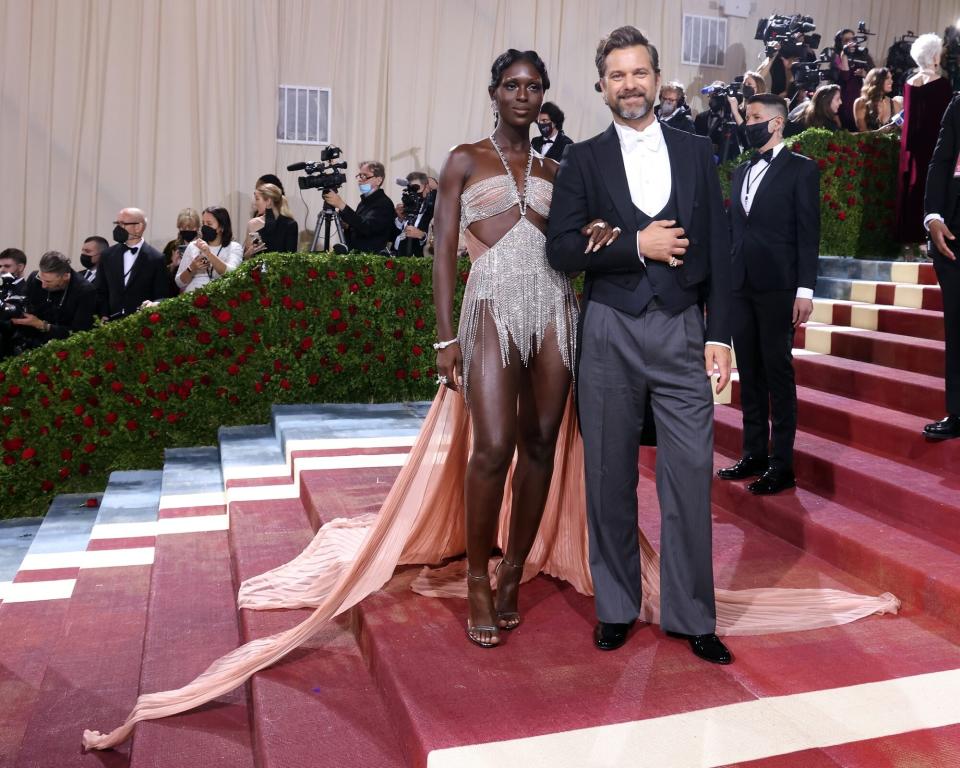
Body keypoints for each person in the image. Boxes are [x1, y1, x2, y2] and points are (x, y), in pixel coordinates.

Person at [82, 46, 900, 754]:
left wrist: (616, 242)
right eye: (511, 83)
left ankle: (513, 574)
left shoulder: (564, 166)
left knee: (546, 441)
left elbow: (587, 236)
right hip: (486, 310)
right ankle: (478, 580)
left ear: (545, 95)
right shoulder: (464, 159)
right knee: (493, 444)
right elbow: (442, 246)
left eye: (532, 84)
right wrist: (441, 335)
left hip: (558, 311)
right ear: (494, 92)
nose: (522, 94)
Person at [547, 25, 734, 663]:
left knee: (688, 475)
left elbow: (720, 250)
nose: (630, 85)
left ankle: (691, 615)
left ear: (657, 78)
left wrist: (720, 334)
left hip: (683, 326)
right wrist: (635, 245)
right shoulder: (583, 158)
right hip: (608, 328)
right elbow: (562, 248)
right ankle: (618, 606)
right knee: (608, 476)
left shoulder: (696, 150)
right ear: (602, 87)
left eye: (639, 73)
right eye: (617, 75)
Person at [718, 94, 819, 495]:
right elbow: (734, 231)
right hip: (741, 285)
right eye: (748, 117)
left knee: (778, 373)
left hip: (779, 287)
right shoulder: (741, 171)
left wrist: (805, 291)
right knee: (751, 372)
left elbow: (808, 235)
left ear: (777, 124)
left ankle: (783, 464)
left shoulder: (801, 170)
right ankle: (754, 453)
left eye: (756, 117)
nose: (749, 123)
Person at [922, 94, 960, 440]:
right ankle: (958, 411)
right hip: (954, 234)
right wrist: (932, 216)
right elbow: (940, 162)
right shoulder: (958, 104)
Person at [896, 33, 953, 243]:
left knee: (910, 186)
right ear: (935, 56)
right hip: (933, 146)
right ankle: (927, 238)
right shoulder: (941, 84)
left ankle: (909, 239)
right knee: (930, 188)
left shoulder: (910, 82)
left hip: (910, 147)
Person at [7, 251, 96, 355]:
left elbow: (80, 333)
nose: (43, 286)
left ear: (66, 277)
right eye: (41, 279)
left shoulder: (85, 291)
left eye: (48, 282)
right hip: (30, 344)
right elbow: (22, 304)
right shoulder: (35, 279)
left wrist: (42, 325)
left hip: (65, 350)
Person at [97, 208, 170, 319]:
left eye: (123, 224)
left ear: (138, 227)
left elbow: (163, 295)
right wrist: (103, 314)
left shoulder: (156, 258)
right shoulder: (107, 255)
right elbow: (100, 290)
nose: (118, 228)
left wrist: (153, 305)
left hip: (141, 324)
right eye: (117, 223)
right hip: (111, 324)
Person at [322, 161, 396, 253]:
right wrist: (348, 226)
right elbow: (359, 226)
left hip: (371, 259)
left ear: (379, 180)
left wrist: (341, 205)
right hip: (357, 255)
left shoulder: (384, 203)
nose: (360, 179)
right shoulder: (364, 202)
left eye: (364, 175)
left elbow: (367, 229)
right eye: (359, 175)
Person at [175, 206, 242, 293]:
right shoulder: (193, 246)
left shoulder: (234, 247)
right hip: (192, 297)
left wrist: (209, 254)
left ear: (221, 227)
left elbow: (232, 274)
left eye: (209, 224)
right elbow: (179, 283)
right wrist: (192, 267)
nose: (204, 227)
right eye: (203, 223)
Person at [832, 28, 873, 132]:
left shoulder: (861, 54)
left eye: (853, 39)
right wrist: (844, 54)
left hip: (859, 98)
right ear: (840, 43)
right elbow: (845, 76)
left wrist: (865, 74)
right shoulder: (837, 56)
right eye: (846, 40)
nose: (850, 42)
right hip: (843, 101)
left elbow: (873, 76)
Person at [243, 183, 298, 259]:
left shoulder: (290, 225)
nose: (255, 203)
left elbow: (291, 258)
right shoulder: (252, 224)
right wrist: (250, 252)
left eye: (257, 199)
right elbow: (245, 259)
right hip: (256, 270)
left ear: (268, 201)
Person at [392, 171, 435, 256]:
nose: (413, 193)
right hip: (400, 256)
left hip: (421, 259)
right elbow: (394, 234)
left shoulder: (434, 209)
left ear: (426, 187)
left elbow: (437, 239)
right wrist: (400, 219)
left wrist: (423, 236)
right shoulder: (408, 205)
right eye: (410, 189)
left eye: (416, 188)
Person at [854, 68, 902, 132]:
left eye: (891, 78)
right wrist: (879, 132)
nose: (891, 81)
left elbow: (902, 132)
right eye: (887, 78)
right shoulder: (861, 103)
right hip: (868, 142)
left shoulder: (894, 104)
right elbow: (862, 132)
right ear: (876, 80)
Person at [162, 208, 201, 277]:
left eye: (191, 228)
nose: (187, 230)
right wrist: (173, 265)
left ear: (197, 227)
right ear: (179, 227)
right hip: (177, 286)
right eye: (183, 228)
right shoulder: (172, 246)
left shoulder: (204, 245)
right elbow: (161, 274)